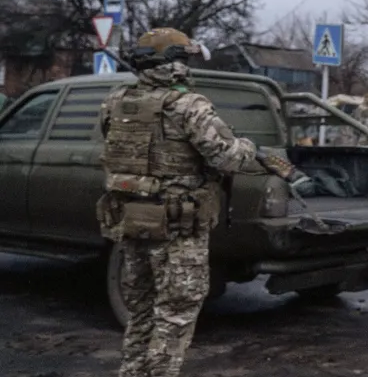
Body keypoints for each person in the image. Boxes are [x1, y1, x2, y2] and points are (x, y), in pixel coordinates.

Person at [96, 27, 308, 377]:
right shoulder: (189, 106)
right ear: (177, 62)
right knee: (175, 313)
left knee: (141, 310)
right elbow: (226, 157)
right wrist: (249, 148)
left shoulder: (115, 101)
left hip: (131, 220)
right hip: (177, 228)